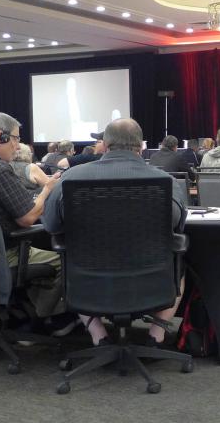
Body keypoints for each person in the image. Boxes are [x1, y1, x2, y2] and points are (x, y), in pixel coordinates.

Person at [42, 118, 186, 347]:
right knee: (182, 268)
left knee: (68, 260)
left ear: (105, 146)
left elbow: (51, 226)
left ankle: (99, 335)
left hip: (88, 279)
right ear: (141, 147)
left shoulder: (71, 177)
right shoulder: (165, 181)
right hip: (151, 279)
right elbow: (177, 225)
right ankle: (155, 336)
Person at [0, 113, 63, 317]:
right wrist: (48, 189)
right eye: (16, 138)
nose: (18, 146)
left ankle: (20, 313)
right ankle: (46, 318)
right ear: (0, 137)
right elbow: (28, 218)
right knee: (64, 260)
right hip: (2, 254)